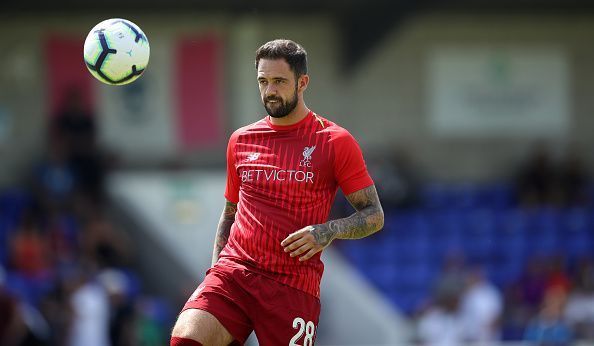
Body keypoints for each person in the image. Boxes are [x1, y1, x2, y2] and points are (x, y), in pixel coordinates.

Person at [170, 39, 384, 346]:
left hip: (292, 287)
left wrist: (327, 231)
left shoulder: (335, 141)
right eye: (263, 81)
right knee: (186, 339)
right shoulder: (241, 140)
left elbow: (374, 215)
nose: (270, 91)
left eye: (280, 81)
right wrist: (215, 272)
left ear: (302, 82)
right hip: (235, 274)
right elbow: (230, 213)